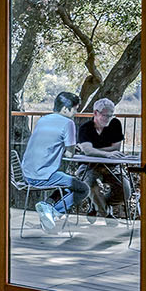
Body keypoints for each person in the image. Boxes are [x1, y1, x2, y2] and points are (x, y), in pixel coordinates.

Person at [19, 92, 90, 232]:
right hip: (43, 176)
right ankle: (52, 210)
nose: (76, 113)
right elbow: (70, 154)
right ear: (65, 109)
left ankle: (49, 205)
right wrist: (73, 148)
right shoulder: (68, 123)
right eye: (75, 109)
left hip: (27, 173)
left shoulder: (43, 120)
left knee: (68, 183)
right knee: (83, 189)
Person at [75, 97, 132, 217]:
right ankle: (106, 214)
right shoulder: (85, 128)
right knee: (90, 186)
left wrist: (94, 150)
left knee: (125, 191)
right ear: (96, 113)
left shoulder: (115, 124)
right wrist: (106, 153)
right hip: (88, 166)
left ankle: (97, 205)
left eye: (111, 115)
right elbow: (88, 151)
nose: (108, 118)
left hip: (112, 166)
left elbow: (115, 148)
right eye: (105, 115)